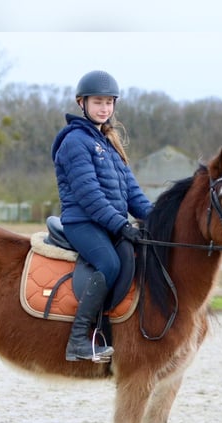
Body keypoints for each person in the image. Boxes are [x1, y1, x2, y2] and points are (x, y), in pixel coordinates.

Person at [51, 70, 153, 362]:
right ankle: (79, 341)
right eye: (98, 102)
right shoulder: (74, 142)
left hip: (108, 223)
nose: (104, 108)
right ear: (81, 103)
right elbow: (89, 196)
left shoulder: (109, 144)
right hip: (82, 222)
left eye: (109, 103)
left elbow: (133, 193)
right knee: (108, 263)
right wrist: (122, 225)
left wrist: (160, 220)